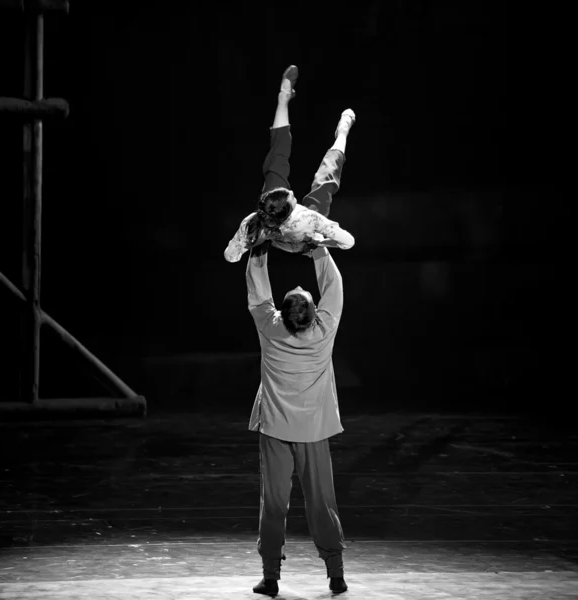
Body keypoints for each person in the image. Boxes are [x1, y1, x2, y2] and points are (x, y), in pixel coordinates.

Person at [244, 66, 354, 596]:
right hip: (311, 434)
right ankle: (333, 573)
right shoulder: (322, 328)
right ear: (308, 310)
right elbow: (331, 278)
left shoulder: (271, 328)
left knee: (274, 502)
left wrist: (258, 249)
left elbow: (257, 286)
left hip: (277, 432)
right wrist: (318, 250)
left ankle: (271, 575)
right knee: (320, 501)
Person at [223, 65, 356, 263]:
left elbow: (230, 256)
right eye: (292, 198)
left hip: (273, 234)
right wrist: (321, 242)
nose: (293, 193)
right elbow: (349, 242)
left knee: (277, 161)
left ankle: (284, 97)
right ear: (289, 212)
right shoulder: (308, 219)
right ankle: (342, 132)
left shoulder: (252, 224)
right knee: (325, 180)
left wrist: (251, 242)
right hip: (302, 241)